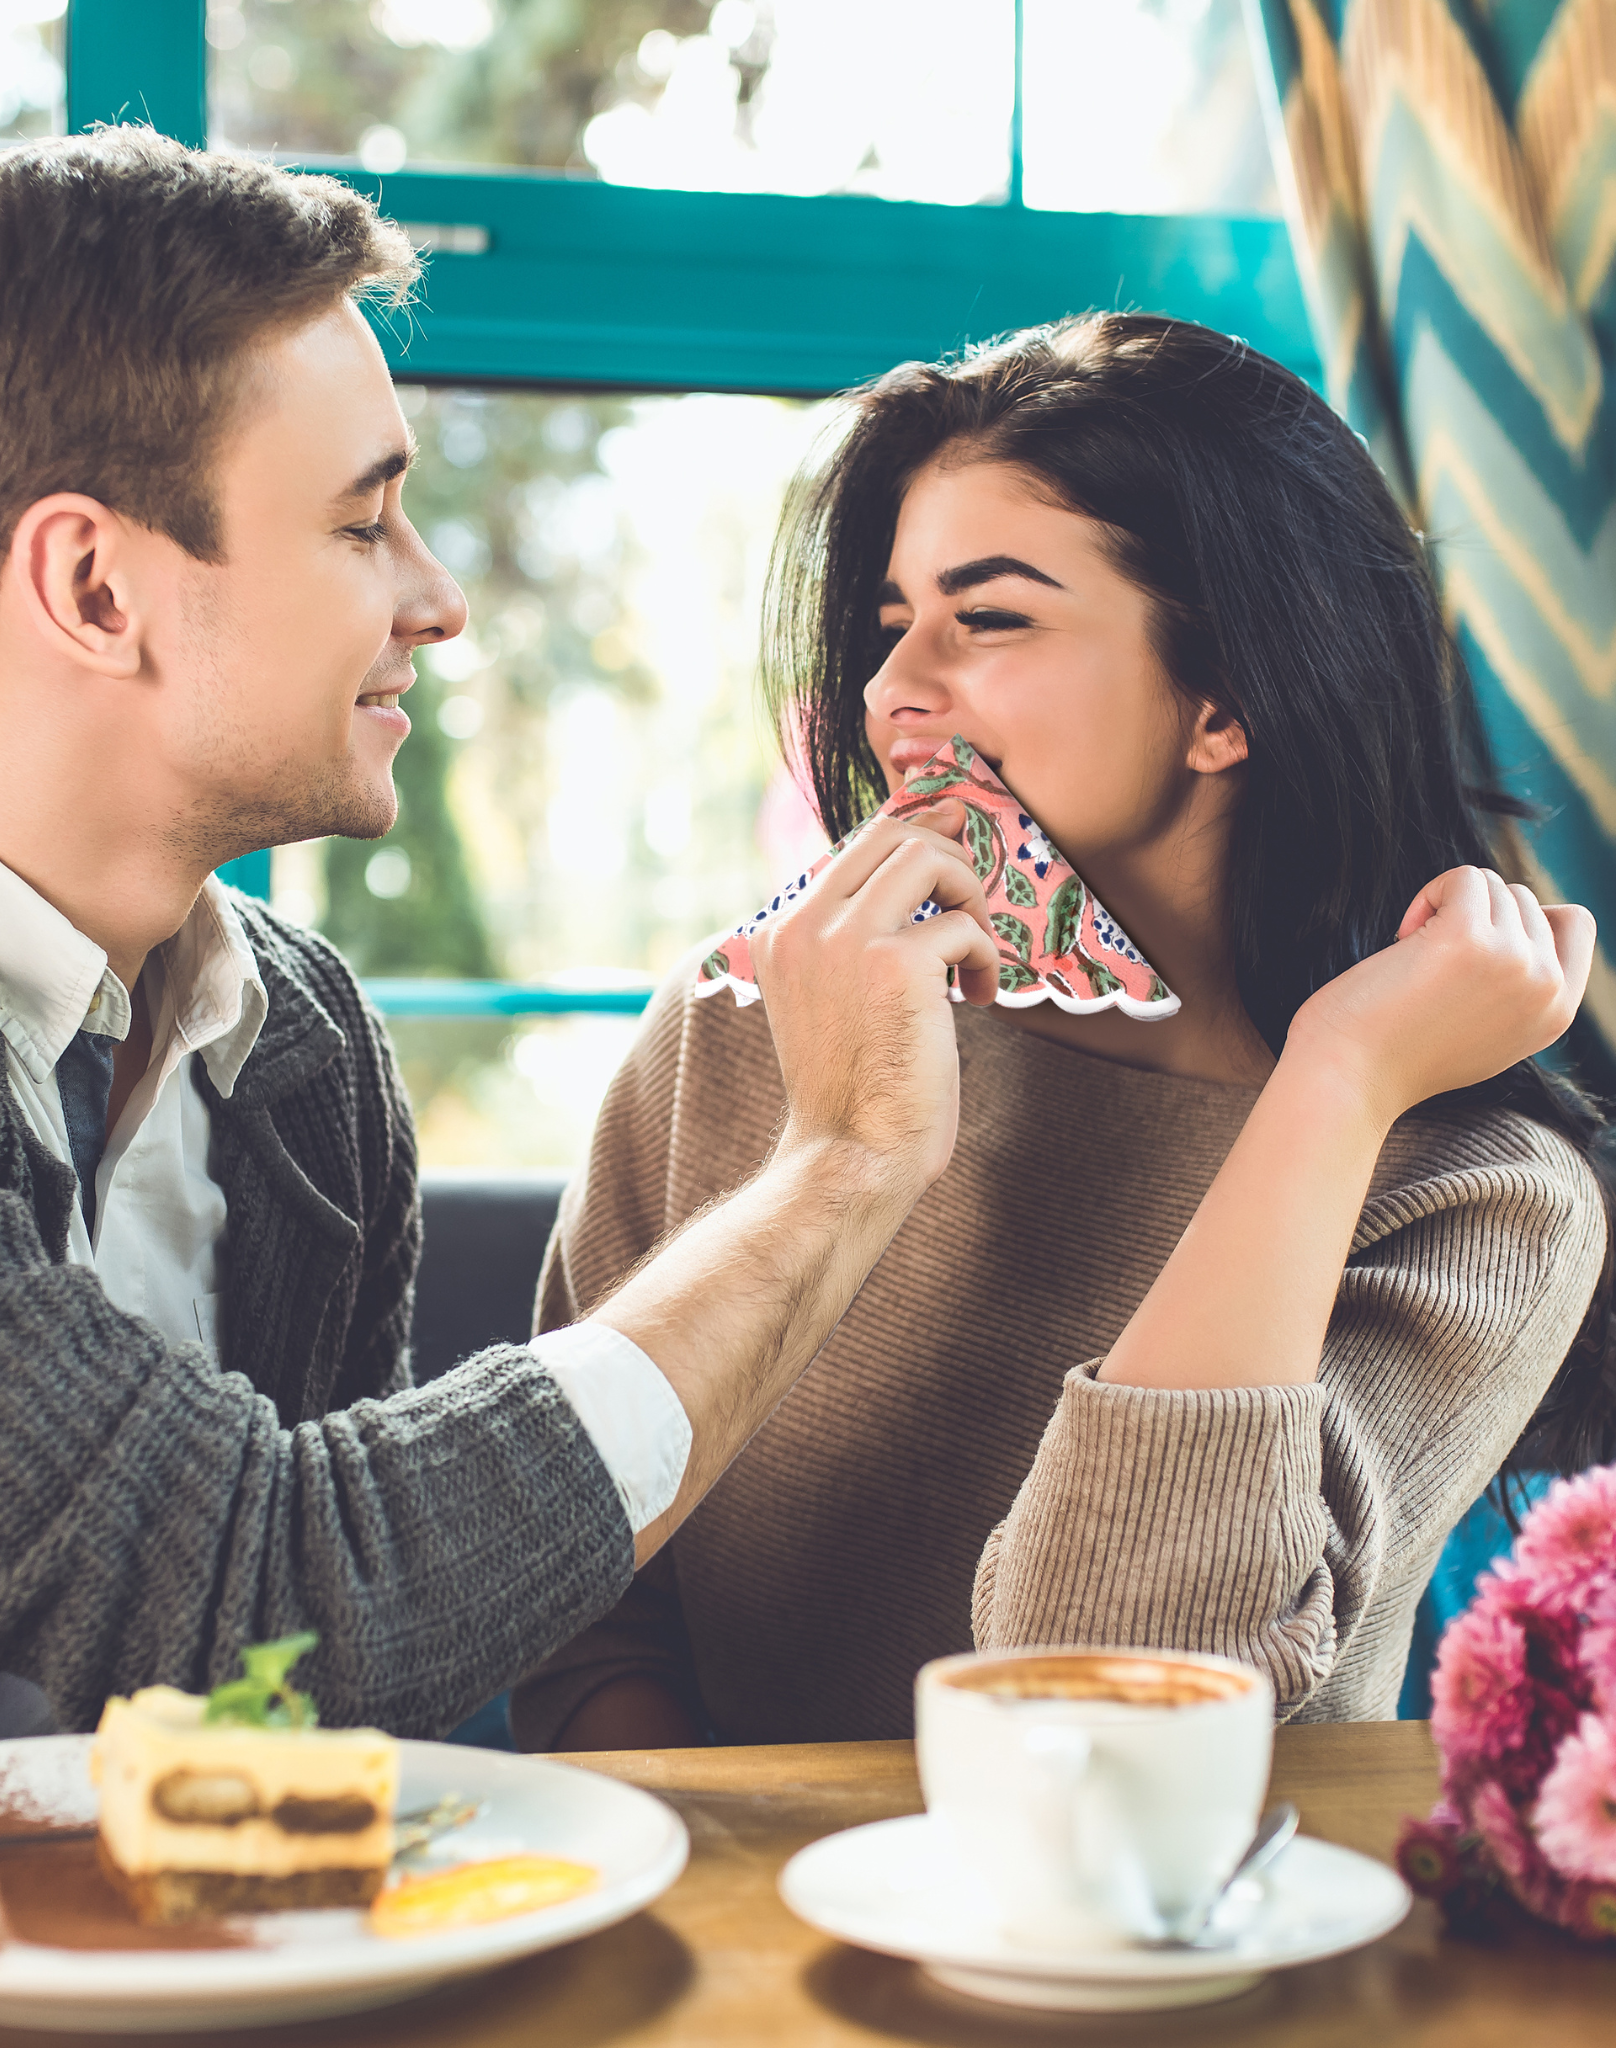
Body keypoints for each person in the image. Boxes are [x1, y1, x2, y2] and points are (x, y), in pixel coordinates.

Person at [0, 130, 1005, 1782]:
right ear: (97, 587)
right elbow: (264, 1606)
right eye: (362, 524)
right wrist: (836, 1163)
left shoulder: (302, 1039)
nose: (438, 597)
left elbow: (322, 1722)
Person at [513, 313, 1610, 1752]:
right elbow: (572, 1590)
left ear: (1226, 701)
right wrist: (729, 1906)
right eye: (892, 619)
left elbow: (1110, 1707)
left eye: (991, 616)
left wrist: (1336, 1083)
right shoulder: (750, 1032)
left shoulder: (1484, 1195)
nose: (895, 690)